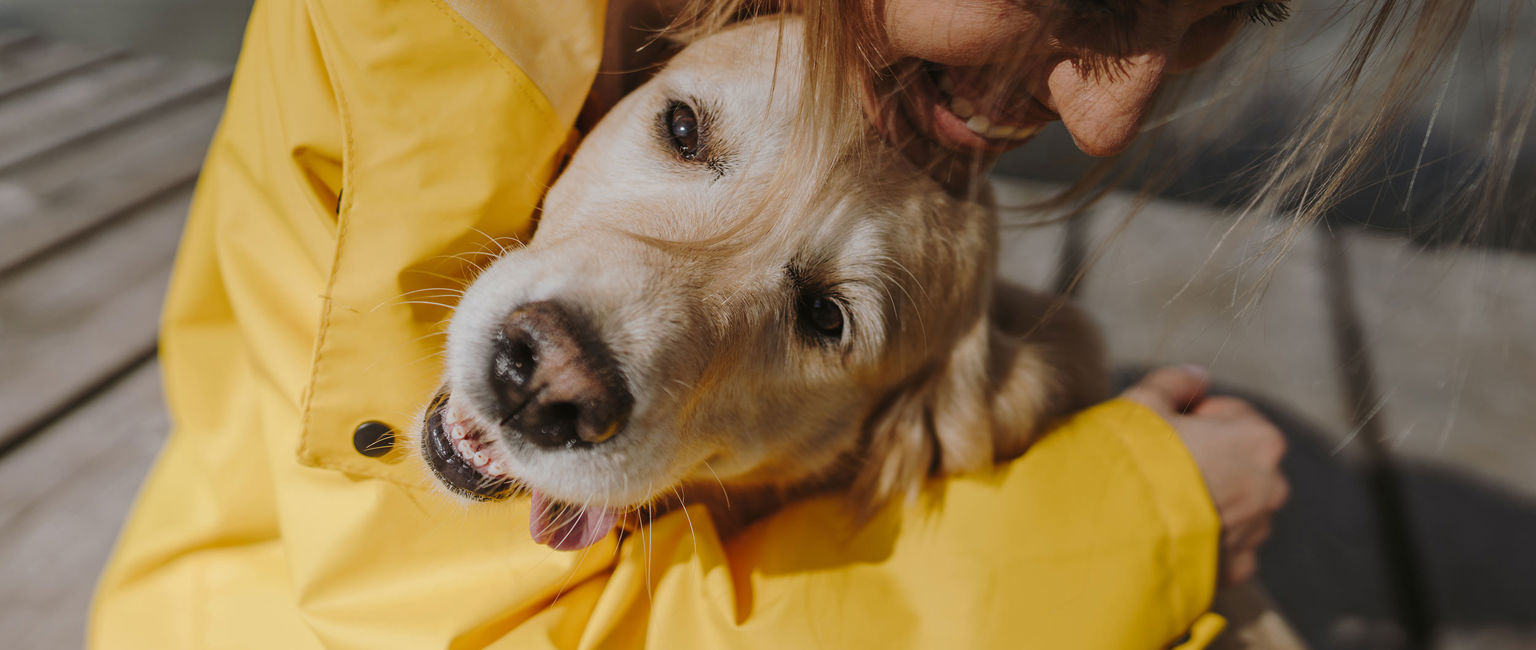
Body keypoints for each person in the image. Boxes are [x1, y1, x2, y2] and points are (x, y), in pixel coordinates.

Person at [89, 0, 1512, 647]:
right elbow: (426, 617)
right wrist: (1128, 525)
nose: (1110, 115)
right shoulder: (412, 28)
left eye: (1220, 18)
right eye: (689, 132)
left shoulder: (935, 410)